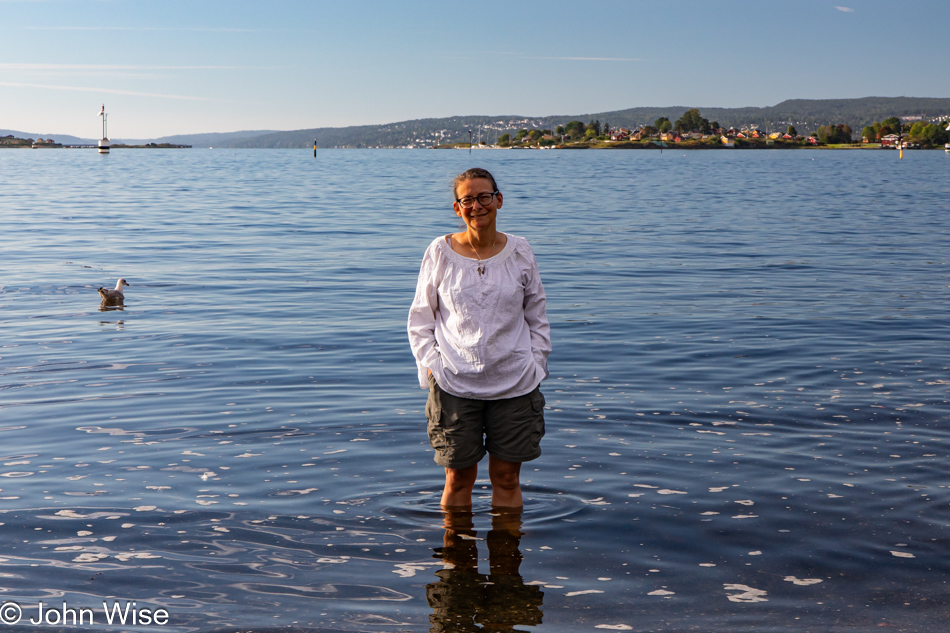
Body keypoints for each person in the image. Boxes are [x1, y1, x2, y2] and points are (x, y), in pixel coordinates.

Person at [408, 167, 551, 509]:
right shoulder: (439, 252)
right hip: (454, 384)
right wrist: (433, 367)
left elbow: (537, 315)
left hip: (515, 382)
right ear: (457, 208)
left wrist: (536, 364)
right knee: (458, 480)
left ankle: (507, 560)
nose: (477, 206)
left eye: (484, 197)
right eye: (467, 199)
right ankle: (457, 559)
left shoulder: (520, 251)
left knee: (506, 478)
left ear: (498, 200)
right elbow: (420, 319)